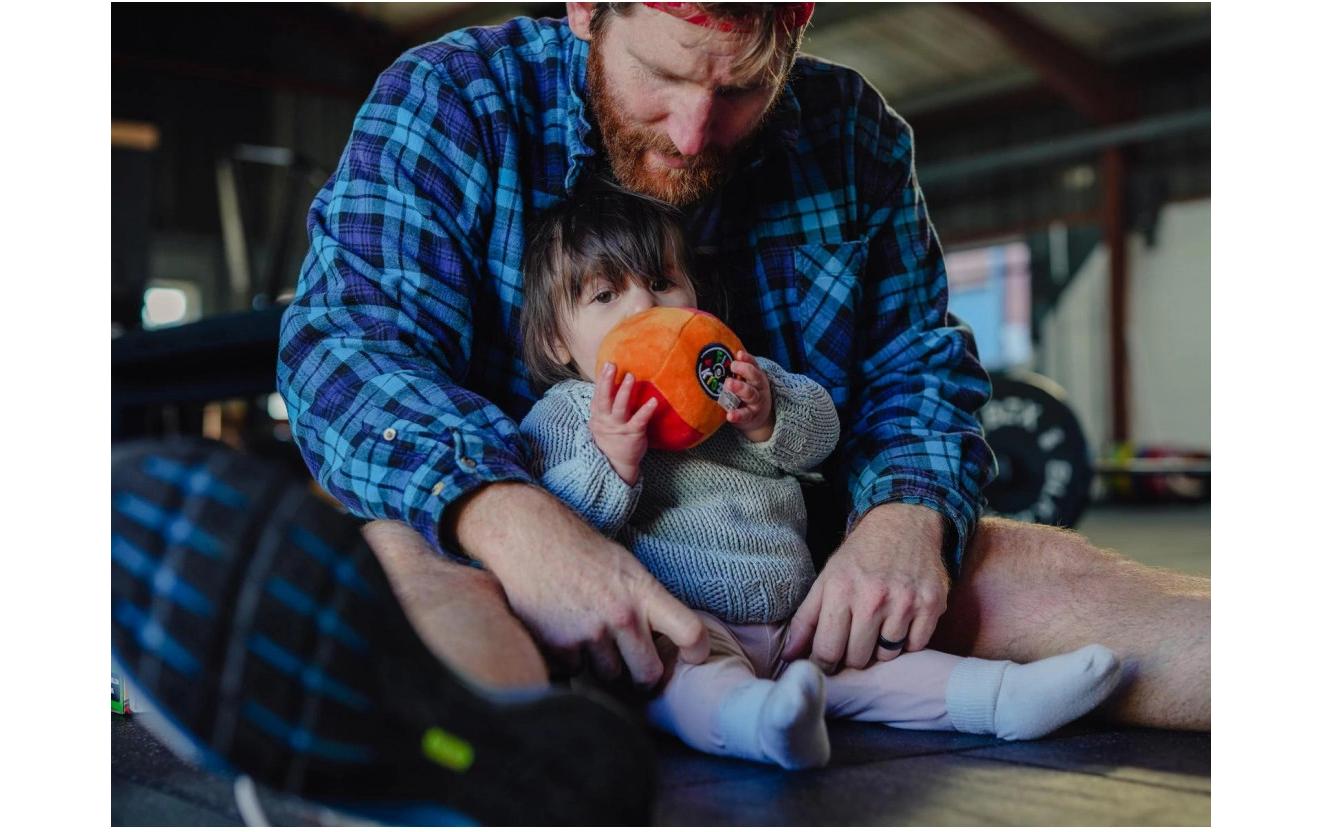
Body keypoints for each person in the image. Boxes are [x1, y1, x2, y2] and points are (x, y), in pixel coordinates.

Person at [112, 0, 1209, 818]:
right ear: (589, 7)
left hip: (788, 563)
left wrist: (907, 514)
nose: (693, 133)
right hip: (489, 539)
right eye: (665, 76)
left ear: (795, 22)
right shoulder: (447, 99)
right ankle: (488, 776)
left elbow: (920, 362)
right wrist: (516, 520)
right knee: (412, 581)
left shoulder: (854, 135)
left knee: (1050, 573)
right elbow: (344, 346)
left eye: (739, 89)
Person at [515, 182, 1123, 768]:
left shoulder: (728, 377)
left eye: (661, 282)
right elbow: (561, 529)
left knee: (883, 668)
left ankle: (1002, 698)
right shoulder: (570, 412)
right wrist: (613, 459)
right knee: (687, 683)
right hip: (687, 624)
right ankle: (762, 724)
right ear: (557, 341)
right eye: (605, 296)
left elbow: (817, 440)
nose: (644, 307)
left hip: (794, 613)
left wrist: (766, 414)